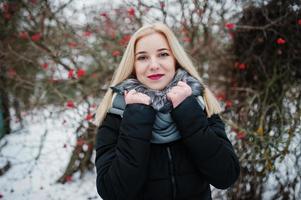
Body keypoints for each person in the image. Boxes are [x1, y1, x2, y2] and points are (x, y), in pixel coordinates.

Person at [93, 22, 240, 200]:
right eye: (142, 57)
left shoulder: (201, 106)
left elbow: (226, 176)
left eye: (163, 54)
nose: (154, 65)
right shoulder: (116, 115)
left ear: (175, 60)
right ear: (133, 65)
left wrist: (187, 110)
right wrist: (136, 115)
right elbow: (113, 193)